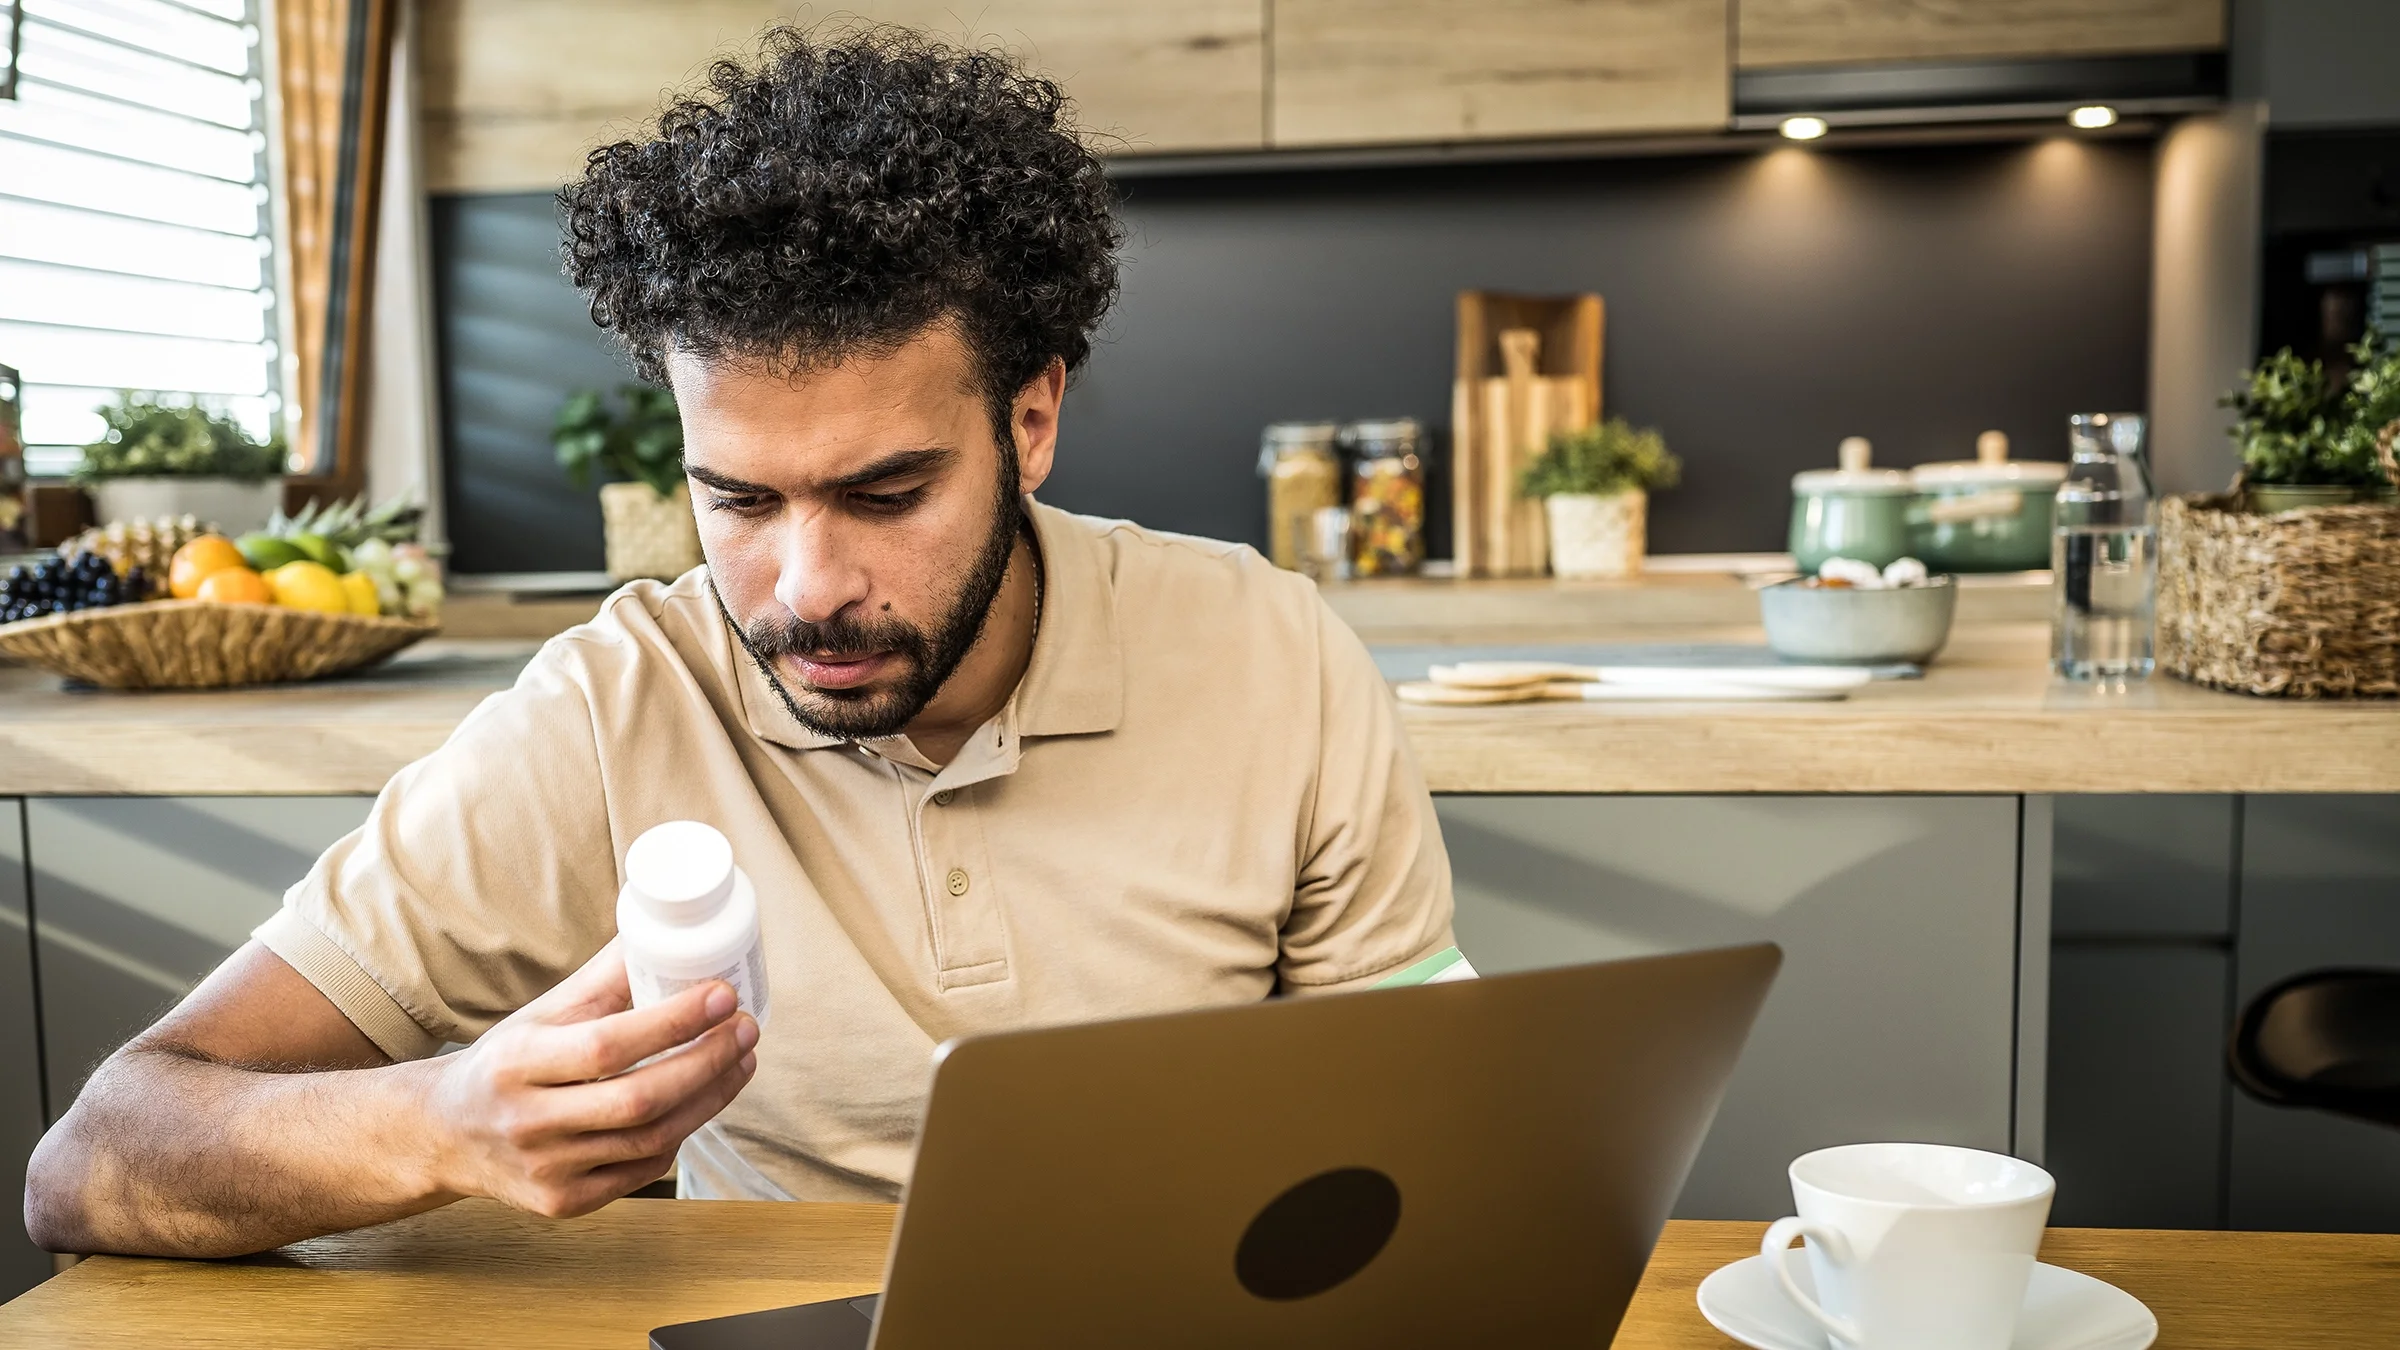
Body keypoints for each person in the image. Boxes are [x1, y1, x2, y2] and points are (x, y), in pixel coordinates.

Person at [24, 27, 1462, 1260]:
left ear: (1031, 420)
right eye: (740, 498)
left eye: (886, 493)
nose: (807, 585)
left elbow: (1424, 1134)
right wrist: (439, 1120)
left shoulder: (1272, 653)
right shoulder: (611, 708)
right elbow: (94, 1158)